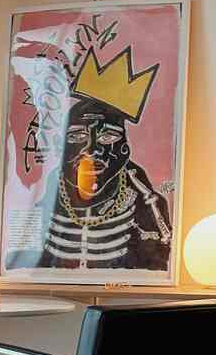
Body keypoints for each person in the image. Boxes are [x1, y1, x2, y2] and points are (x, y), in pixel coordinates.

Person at [27, 47, 172, 273]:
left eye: (107, 136)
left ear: (125, 150)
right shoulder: (42, 199)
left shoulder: (147, 202)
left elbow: (156, 266)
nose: (91, 150)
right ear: (61, 148)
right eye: (77, 136)